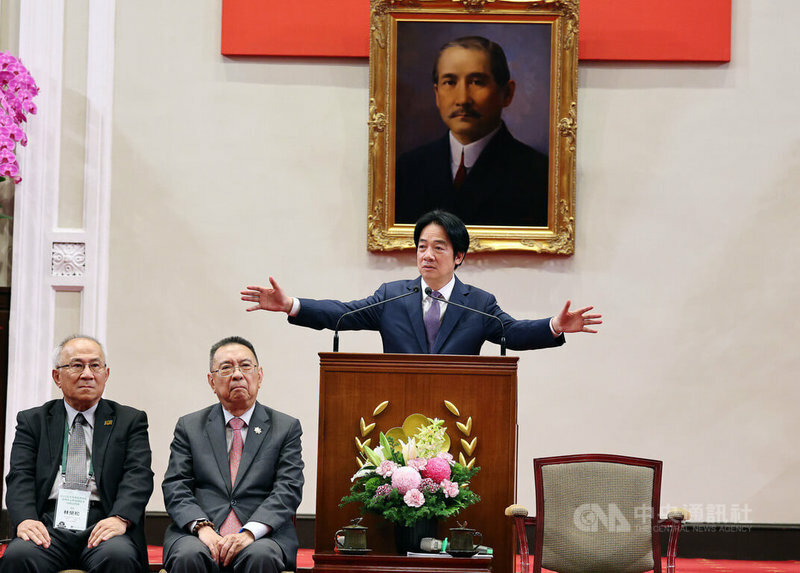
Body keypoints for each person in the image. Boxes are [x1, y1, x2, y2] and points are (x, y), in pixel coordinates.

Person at [240, 210, 601, 355]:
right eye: (422, 246)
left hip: (460, 411)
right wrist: (291, 305)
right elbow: (343, 314)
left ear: (459, 256)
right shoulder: (392, 296)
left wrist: (554, 326)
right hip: (397, 410)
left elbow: (513, 333)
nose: (427, 255)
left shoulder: (478, 303)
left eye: (438, 248)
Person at [2, 335, 154, 573]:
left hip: (103, 522)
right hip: (48, 523)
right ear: (57, 377)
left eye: (95, 365)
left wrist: (119, 518)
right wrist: (26, 519)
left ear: (106, 374)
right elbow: (20, 475)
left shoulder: (129, 420)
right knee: (19, 555)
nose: (87, 374)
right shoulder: (33, 421)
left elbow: (139, 475)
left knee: (119, 556)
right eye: (77, 365)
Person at [162, 336, 304, 573]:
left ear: (259, 376)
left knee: (261, 556)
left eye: (245, 366)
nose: (237, 375)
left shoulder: (285, 427)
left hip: (261, 536)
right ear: (212, 381)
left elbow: (288, 488)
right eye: (226, 368)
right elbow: (176, 486)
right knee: (188, 555)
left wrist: (250, 532)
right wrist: (203, 528)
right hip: (200, 533)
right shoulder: (190, 426)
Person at [395, 36, 550, 227]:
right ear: (436, 94)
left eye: (477, 82)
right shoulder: (407, 170)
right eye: (450, 82)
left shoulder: (539, 175)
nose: (462, 99)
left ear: (507, 93)